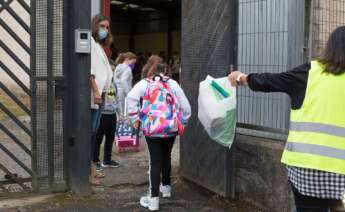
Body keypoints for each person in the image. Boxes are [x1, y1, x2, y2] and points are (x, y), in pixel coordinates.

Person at [228, 26, 345, 212]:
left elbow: (271, 81)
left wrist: (241, 77)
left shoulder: (310, 72)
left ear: (329, 47)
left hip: (306, 169)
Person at [127, 58, 191, 211]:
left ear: (149, 70)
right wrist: (183, 122)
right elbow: (186, 107)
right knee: (167, 156)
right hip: (171, 127)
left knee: (155, 162)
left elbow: (131, 97)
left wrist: (135, 119)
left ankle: (154, 199)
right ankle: (166, 189)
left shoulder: (145, 83)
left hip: (152, 128)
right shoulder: (173, 83)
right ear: (166, 71)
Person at [90, 14, 113, 185]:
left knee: (95, 131)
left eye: (107, 27)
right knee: (90, 133)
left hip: (101, 94)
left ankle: (92, 169)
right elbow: (89, 70)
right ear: (95, 26)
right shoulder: (90, 43)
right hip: (94, 95)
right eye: (102, 26)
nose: (105, 30)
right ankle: (88, 172)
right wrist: (96, 91)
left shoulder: (98, 45)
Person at [93, 60, 121, 170]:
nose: (112, 73)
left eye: (113, 70)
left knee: (110, 137)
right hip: (102, 113)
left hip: (112, 114)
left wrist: (119, 113)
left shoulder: (114, 83)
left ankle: (107, 159)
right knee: (98, 138)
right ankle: (95, 160)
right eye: (111, 70)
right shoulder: (101, 82)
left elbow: (116, 98)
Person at [113, 52, 137, 119]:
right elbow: (124, 80)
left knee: (118, 112)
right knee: (124, 113)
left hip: (117, 91)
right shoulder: (128, 69)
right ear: (127, 59)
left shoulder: (118, 67)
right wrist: (129, 93)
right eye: (133, 63)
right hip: (123, 93)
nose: (133, 65)